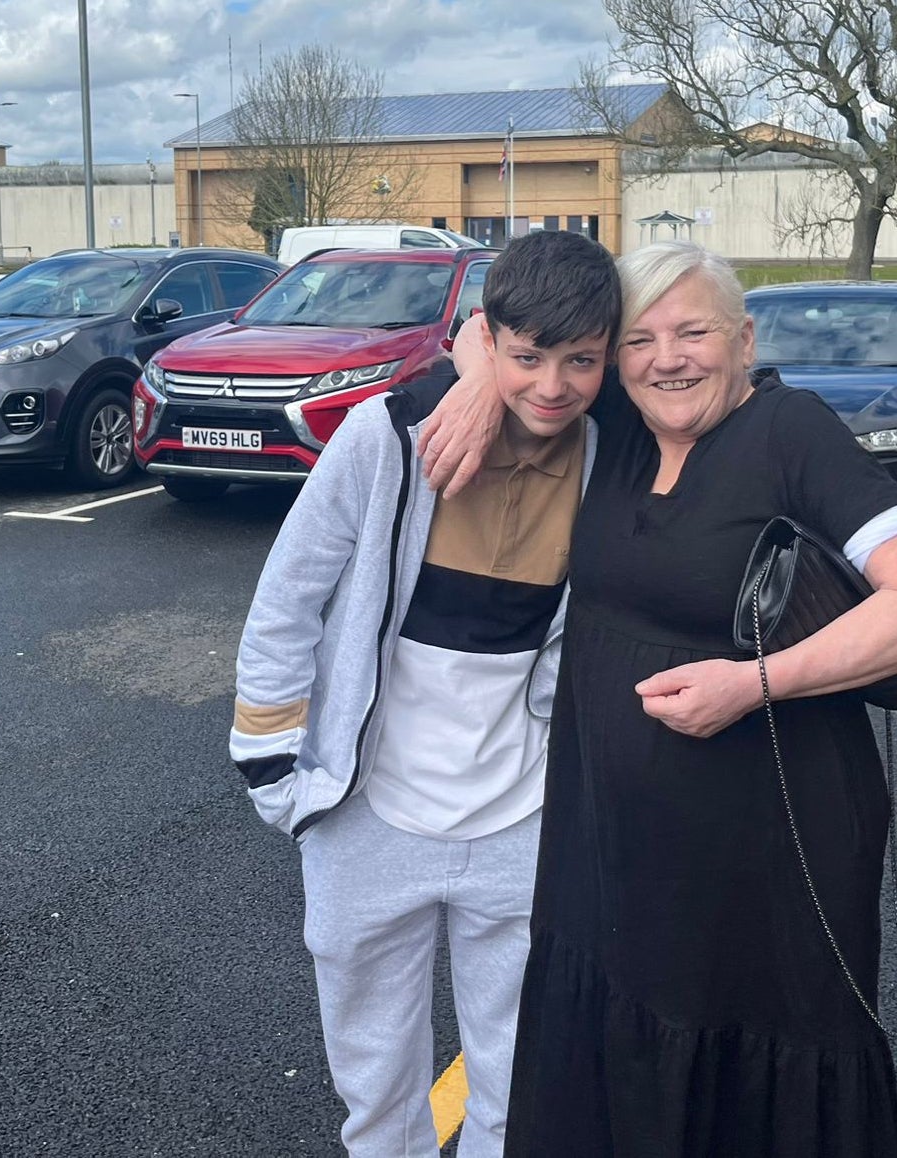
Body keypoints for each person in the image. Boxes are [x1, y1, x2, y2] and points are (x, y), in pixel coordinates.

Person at [420, 240, 897, 1156]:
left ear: (743, 338)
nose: (665, 357)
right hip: (605, 843)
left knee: (747, 1054)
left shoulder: (789, 433)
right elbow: (513, 338)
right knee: (618, 1039)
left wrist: (753, 684)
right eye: (638, 339)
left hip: (770, 850)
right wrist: (479, 379)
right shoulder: (628, 427)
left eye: (693, 332)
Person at [230, 229, 622, 1158]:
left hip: (520, 825)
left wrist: (489, 374)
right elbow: (288, 599)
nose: (553, 386)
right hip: (368, 821)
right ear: (486, 335)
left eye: (582, 361)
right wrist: (277, 771)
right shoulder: (387, 436)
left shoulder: (615, 456)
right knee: (375, 1090)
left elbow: (728, 389)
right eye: (526, 357)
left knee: (517, 1080)